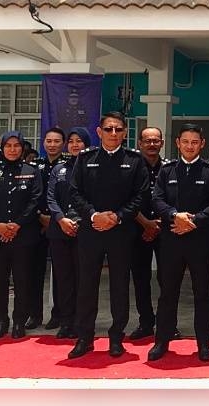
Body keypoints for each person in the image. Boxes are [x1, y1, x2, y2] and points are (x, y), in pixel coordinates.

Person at [67, 112, 150, 360]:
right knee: (86, 285)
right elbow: (75, 193)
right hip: (91, 231)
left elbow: (141, 195)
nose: (113, 133)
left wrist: (117, 217)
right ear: (99, 131)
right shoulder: (85, 159)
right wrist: (94, 216)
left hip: (121, 232)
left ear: (125, 133)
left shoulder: (134, 160)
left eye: (118, 129)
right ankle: (85, 337)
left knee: (119, 286)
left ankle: (116, 337)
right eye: (109, 129)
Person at [148, 124, 209, 362]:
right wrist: (175, 216)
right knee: (167, 293)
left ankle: (203, 344)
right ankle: (162, 341)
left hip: (200, 241)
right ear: (177, 143)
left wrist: (194, 221)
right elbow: (157, 199)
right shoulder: (167, 170)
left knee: (203, 293)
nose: (190, 146)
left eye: (195, 142)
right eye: (185, 141)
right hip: (171, 240)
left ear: (202, 144)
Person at [0, 131, 43, 340]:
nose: (13, 149)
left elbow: (35, 200)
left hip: (23, 236)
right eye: (8, 146)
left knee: (23, 281)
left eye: (16, 146)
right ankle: (0, 321)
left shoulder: (31, 171)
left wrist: (16, 225)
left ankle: (18, 321)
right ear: (2, 148)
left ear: (22, 148)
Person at [45, 127, 91, 339]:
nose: (74, 144)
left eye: (79, 141)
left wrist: (82, 220)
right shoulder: (59, 169)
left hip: (85, 230)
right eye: (71, 141)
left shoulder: (92, 168)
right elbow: (51, 197)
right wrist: (61, 219)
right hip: (60, 230)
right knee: (64, 279)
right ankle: (66, 321)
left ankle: (82, 322)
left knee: (83, 279)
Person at [128, 126, 167, 340]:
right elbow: (125, 199)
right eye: (147, 141)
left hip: (165, 231)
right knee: (141, 279)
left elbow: (176, 199)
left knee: (167, 280)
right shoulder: (131, 168)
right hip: (137, 230)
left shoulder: (171, 167)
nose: (152, 144)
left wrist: (157, 224)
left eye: (156, 140)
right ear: (139, 144)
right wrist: (146, 224)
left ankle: (167, 323)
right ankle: (145, 323)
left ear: (162, 143)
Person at [30, 126, 68, 331]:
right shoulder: (34, 165)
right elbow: (30, 196)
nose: (52, 145)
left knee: (60, 274)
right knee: (34, 272)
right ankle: (34, 314)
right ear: (43, 143)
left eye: (56, 141)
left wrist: (53, 218)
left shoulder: (67, 166)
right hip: (37, 224)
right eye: (49, 141)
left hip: (59, 224)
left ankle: (58, 313)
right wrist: (39, 216)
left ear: (63, 144)